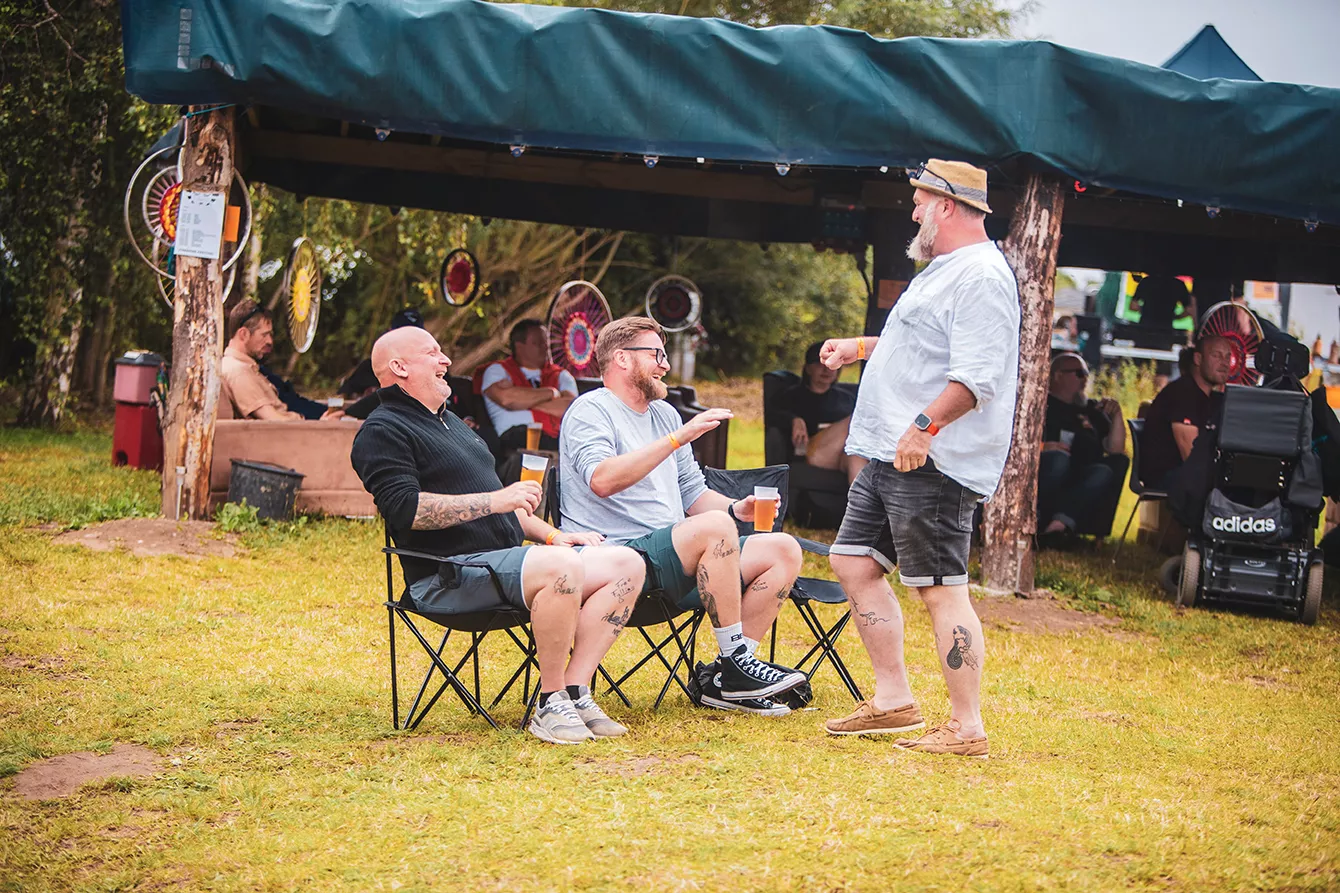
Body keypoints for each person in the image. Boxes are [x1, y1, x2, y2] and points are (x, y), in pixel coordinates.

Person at [350, 326, 647, 745]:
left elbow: (501, 506)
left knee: (626, 563)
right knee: (560, 568)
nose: (445, 360)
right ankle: (550, 702)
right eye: (432, 353)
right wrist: (497, 500)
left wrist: (552, 535)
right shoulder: (383, 430)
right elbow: (407, 510)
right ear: (399, 367)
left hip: (504, 565)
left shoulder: (452, 423)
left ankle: (575, 690)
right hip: (448, 576)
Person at [817, 159, 1021, 759]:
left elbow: (977, 376)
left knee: (941, 589)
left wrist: (924, 428)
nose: (912, 213)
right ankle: (893, 700)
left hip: (933, 458)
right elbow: (920, 346)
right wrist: (860, 347)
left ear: (947, 207)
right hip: (892, 449)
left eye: (919, 202)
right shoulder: (944, 270)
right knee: (853, 560)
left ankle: (967, 727)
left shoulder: (982, 276)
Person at [559, 316, 807, 715]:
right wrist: (677, 439)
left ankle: (728, 680)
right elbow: (602, 480)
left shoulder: (664, 415)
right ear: (622, 359)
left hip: (674, 556)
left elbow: (692, 493)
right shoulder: (591, 410)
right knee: (715, 529)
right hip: (616, 557)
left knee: (782, 548)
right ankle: (736, 661)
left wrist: (734, 509)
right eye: (656, 355)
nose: (666, 365)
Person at [1037, 353, 1129, 543]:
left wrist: (1117, 416)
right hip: (1047, 471)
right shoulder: (1040, 405)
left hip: (1081, 474)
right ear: (1058, 376)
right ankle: (1038, 519)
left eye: (1087, 373)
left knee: (1104, 471)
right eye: (1079, 374)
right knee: (1059, 460)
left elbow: (1116, 449)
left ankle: (1058, 526)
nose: (1085, 379)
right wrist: (1043, 447)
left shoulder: (1091, 410)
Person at [219, 300, 343, 421]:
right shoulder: (239, 371)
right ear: (243, 334)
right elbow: (275, 421)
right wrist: (322, 425)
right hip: (292, 432)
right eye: (264, 335)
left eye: (270, 335)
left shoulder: (243, 367)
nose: (270, 341)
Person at [1142, 335, 1234, 489]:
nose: (1224, 363)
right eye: (1216, 355)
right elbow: (1193, 459)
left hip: (1191, 478)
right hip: (1171, 480)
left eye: (1228, 357)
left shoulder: (1214, 399)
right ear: (1198, 359)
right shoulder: (1182, 395)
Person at [768, 341, 864, 482]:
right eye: (820, 364)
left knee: (856, 456)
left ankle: (860, 497)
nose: (826, 369)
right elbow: (771, 415)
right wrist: (793, 419)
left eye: (832, 365)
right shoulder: (791, 396)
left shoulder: (847, 398)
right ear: (808, 368)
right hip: (811, 452)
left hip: (841, 454)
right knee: (859, 416)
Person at [479, 319, 577, 452]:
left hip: (557, 438)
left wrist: (522, 402)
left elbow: (570, 408)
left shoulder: (561, 375)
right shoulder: (497, 370)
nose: (545, 347)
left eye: (546, 342)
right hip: (514, 440)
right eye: (538, 343)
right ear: (519, 347)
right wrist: (551, 393)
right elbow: (507, 400)